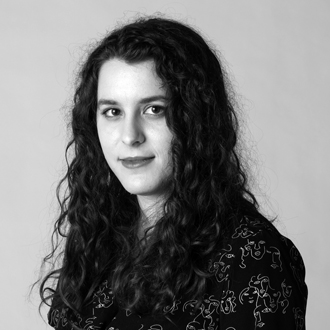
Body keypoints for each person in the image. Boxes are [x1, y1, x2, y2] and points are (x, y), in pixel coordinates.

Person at [39, 16, 308, 330]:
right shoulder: (98, 235)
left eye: (154, 109)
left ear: (195, 119)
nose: (130, 136)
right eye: (112, 112)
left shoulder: (250, 255)